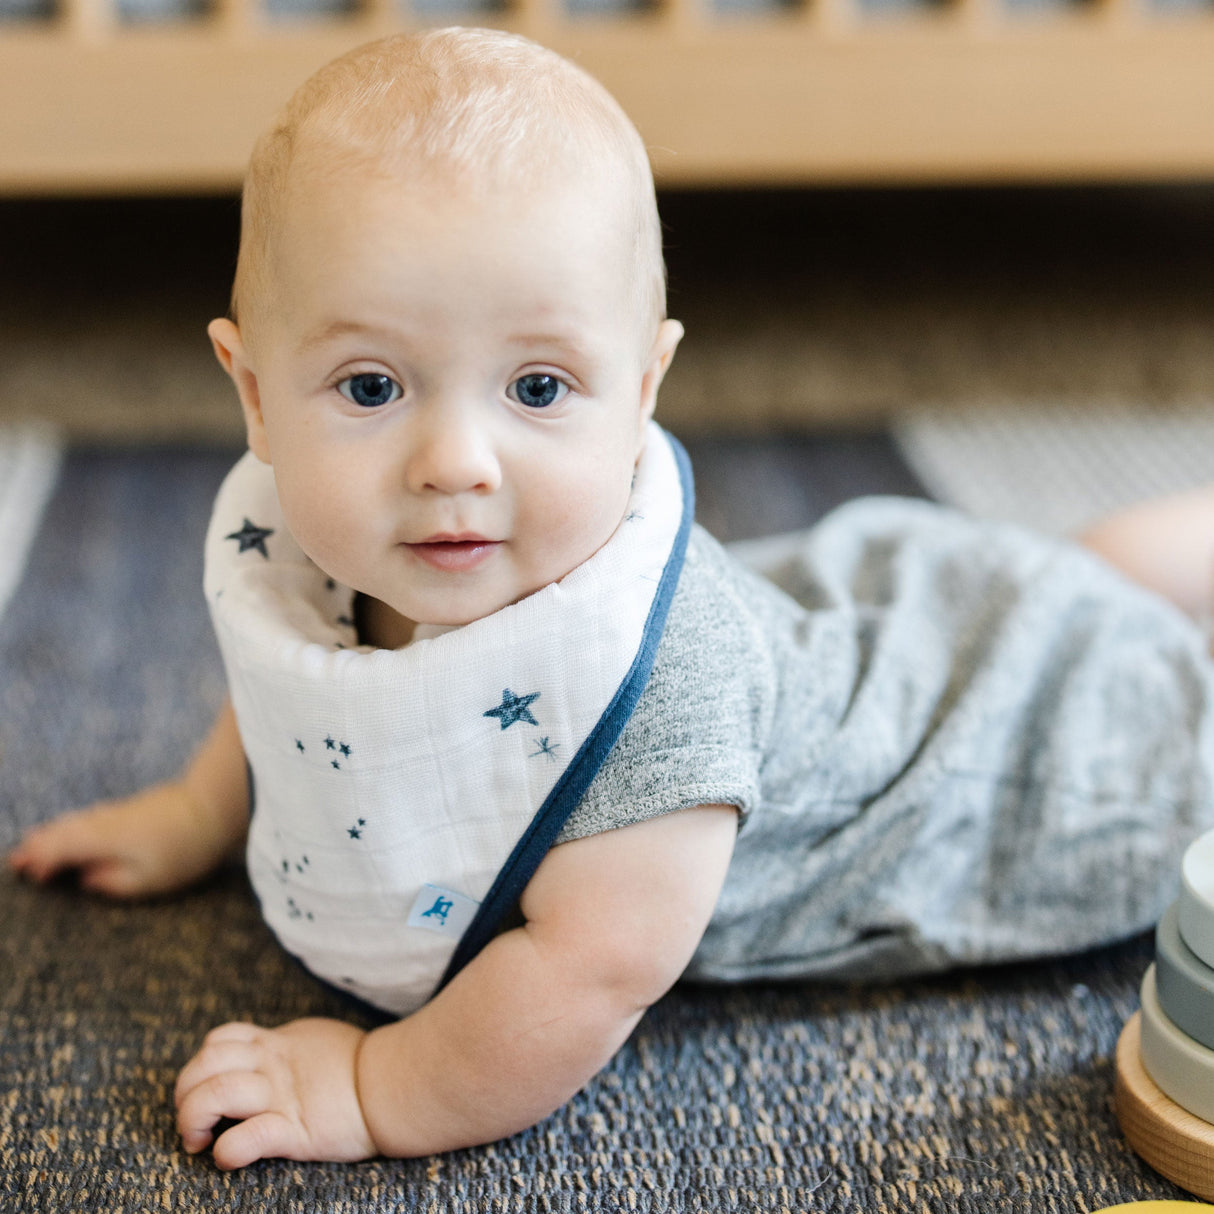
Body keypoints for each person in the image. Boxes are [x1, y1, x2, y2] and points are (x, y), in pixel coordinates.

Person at [9, 26, 1214, 1170]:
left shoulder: (651, 687)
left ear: (641, 391)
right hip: (905, 616)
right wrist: (195, 810)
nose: (454, 462)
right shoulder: (318, 547)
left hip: (1014, 757)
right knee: (1060, 577)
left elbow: (590, 967)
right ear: (254, 394)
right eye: (370, 386)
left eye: (536, 386)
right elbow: (306, 680)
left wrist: (374, 1086)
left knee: (1117, 654)